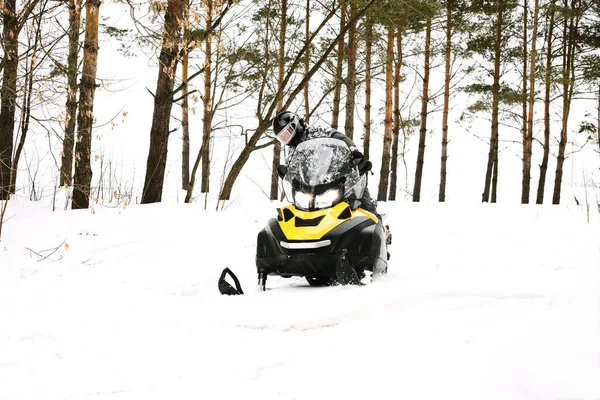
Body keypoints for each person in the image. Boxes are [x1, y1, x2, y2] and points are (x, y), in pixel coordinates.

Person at [272, 110, 377, 215]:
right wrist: (287, 174)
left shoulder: (318, 132)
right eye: (283, 137)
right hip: (314, 187)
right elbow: (292, 168)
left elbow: (341, 138)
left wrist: (355, 154)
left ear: (296, 124)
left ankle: (376, 222)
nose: (287, 138)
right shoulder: (293, 152)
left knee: (363, 203)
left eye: (287, 133)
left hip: (339, 177)